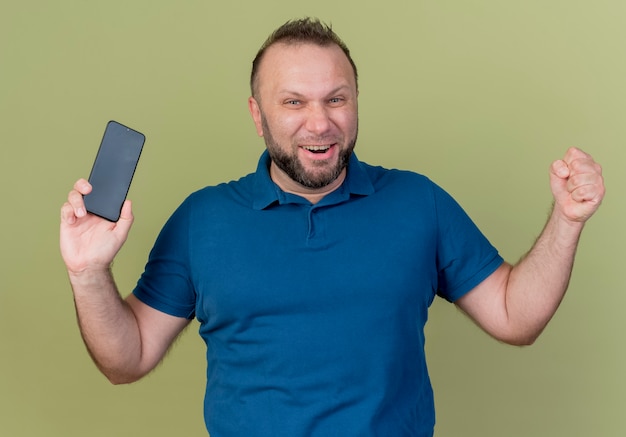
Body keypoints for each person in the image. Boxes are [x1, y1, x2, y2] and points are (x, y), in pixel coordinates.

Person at [60, 18, 605, 437]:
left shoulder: (418, 202)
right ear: (258, 114)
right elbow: (125, 359)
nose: (319, 123)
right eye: (293, 102)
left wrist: (567, 220)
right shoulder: (202, 220)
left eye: (335, 99)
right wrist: (88, 273)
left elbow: (515, 316)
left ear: (355, 102)